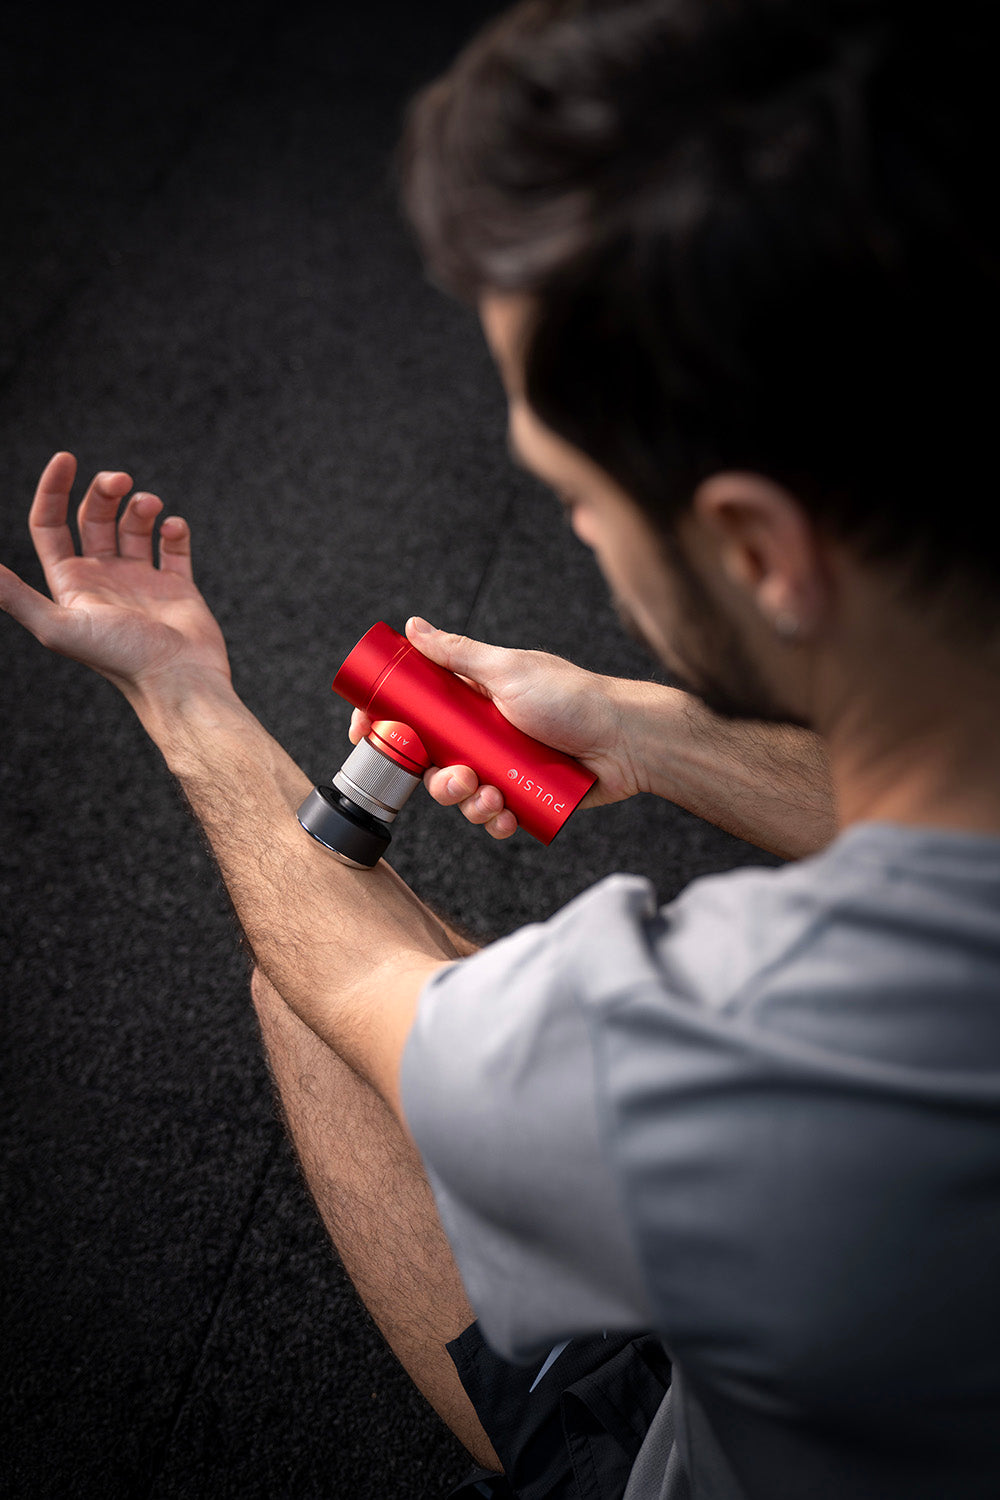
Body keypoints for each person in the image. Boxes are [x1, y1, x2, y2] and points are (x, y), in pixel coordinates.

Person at [3, 0, 1000, 1495]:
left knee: (302, 996)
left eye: (577, 492)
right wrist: (647, 731)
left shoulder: (732, 1038)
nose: (585, 535)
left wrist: (179, 686)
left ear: (750, 544)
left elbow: (350, 975)